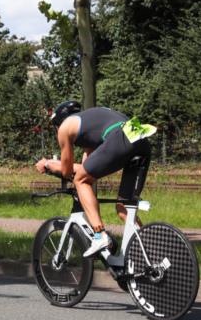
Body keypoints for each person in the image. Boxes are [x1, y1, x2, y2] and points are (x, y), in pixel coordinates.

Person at [36, 101, 155, 257]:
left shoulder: (65, 128)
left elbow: (67, 172)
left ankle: (100, 235)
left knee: (80, 181)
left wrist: (48, 164)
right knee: (124, 208)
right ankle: (152, 254)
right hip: (140, 137)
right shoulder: (91, 124)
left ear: (58, 123)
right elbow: (87, 168)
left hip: (120, 137)